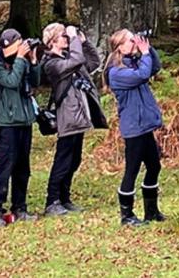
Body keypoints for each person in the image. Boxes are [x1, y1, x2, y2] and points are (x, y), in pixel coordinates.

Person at [41, 22, 102, 217]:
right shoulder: (51, 63)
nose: (67, 39)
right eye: (63, 37)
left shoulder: (69, 58)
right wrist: (74, 39)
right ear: (52, 41)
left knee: (74, 160)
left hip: (79, 116)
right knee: (63, 159)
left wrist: (83, 42)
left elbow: (93, 63)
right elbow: (76, 61)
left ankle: (65, 198)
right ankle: (52, 201)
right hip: (67, 117)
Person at [105, 29, 165, 226]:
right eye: (131, 41)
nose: (134, 43)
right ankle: (127, 215)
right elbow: (142, 75)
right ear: (119, 47)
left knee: (154, 166)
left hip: (144, 125)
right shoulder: (116, 72)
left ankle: (151, 210)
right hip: (133, 126)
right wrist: (145, 54)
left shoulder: (133, 63)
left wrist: (148, 48)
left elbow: (154, 67)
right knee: (131, 169)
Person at [0, 29, 40, 227]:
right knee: (5, 166)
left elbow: (35, 82)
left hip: (24, 120)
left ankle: (20, 206)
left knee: (23, 167)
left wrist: (32, 61)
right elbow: (11, 81)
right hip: (6, 122)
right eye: (19, 44)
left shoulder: (21, 62)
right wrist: (19, 59)